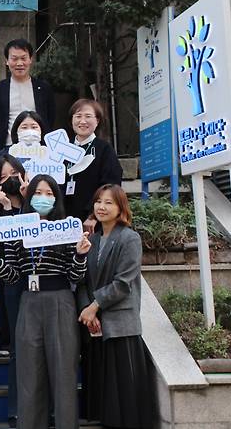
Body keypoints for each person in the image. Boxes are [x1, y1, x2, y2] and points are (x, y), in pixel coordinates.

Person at [0, 174, 91, 429]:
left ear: (57, 197)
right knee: (29, 374)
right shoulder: (17, 230)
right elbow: (11, 276)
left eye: (50, 193)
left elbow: (75, 276)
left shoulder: (66, 228)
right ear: (29, 197)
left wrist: (80, 255)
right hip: (28, 301)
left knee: (63, 371)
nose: (44, 198)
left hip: (60, 301)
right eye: (38, 193)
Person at [77, 184, 155, 429]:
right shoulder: (93, 240)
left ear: (121, 207)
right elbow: (81, 280)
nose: (101, 207)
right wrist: (88, 310)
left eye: (109, 202)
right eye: (98, 201)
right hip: (96, 326)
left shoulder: (130, 238)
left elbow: (124, 283)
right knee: (106, 401)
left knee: (125, 401)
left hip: (121, 326)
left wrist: (95, 306)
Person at [0, 153, 27, 427]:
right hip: (12, 280)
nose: (9, 180)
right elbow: (7, 251)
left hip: (41, 286)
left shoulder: (37, 199)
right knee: (18, 350)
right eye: (3, 177)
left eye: (14, 174)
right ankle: (16, 411)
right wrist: (5, 207)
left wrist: (25, 197)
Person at [63, 99, 122, 233]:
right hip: (63, 221)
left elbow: (110, 185)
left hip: (93, 222)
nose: (82, 121)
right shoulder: (62, 149)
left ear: (97, 121)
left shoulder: (104, 149)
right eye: (78, 116)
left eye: (88, 116)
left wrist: (94, 215)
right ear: (71, 120)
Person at [0, 39, 55, 152]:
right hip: (7, 146)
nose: (19, 63)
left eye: (23, 58)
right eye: (14, 58)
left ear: (30, 59)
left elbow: (50, 117)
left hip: (39, 148)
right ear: (7, 61)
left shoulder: (43, 88)